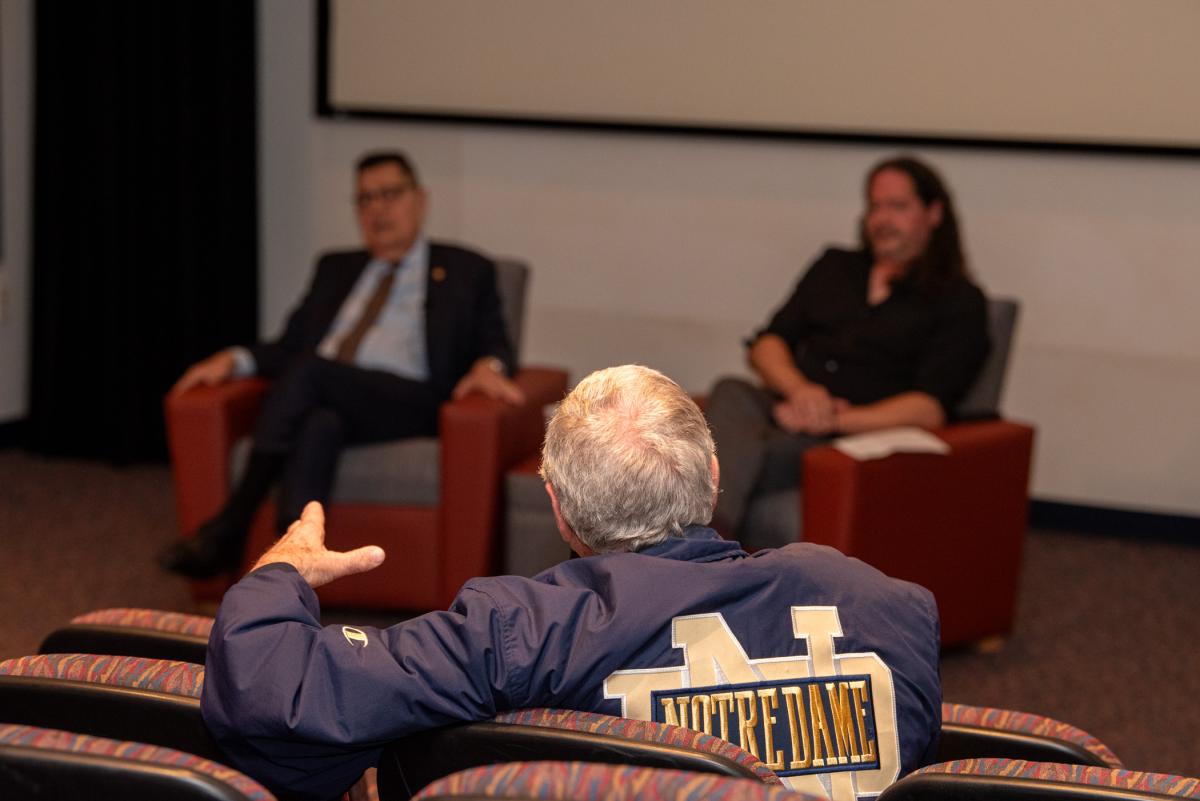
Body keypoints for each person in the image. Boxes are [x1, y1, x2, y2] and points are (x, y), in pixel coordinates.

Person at [202, 364, 942, 801]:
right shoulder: (886, 607)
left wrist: (281, 573)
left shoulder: (517, 627)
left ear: (556, 506)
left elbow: (273, 691)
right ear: (714, 479)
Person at [159, 151, 524, 578]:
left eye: (390, 194)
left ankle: (232, 523)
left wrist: (489, 367)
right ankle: (288, 574)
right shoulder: (335, 268)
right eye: (365, 199)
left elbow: (497, 343)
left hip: (410, 401)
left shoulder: (466, 269)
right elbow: (289, 346)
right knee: (318, 424)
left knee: (311, 372)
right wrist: (234, 359)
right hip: (327, 395)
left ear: (420, 200)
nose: (377, 209)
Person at [707, 156, 990, 543]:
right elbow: (768, 343)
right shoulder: (835, 266)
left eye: (898, 206)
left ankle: (702, 542)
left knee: (720, 455)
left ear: (934, 213)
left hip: (851, 437)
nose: (881, 218)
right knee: (731, 390)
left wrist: (833, 420)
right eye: (874, 206)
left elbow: (929, 408)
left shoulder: (958, 300)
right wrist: (802, 392)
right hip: (787, 407)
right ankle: (704, 544)